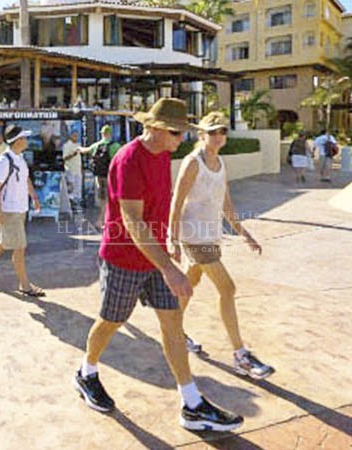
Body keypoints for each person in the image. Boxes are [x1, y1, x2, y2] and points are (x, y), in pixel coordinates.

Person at [73, 98, 244, 432]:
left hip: (156, 258)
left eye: (182, 133)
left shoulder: (163, 153)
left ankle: (191, 403)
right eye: (175, 132)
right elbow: (133, 221)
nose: (180, 140)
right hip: (123, 257)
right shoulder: (128, 160)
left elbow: (162, 206)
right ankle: (86, 372)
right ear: (152, 128)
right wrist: (168, 266)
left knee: (172, 323)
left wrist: (171, 243)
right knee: (111, 321)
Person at [167, 111, 274, 380]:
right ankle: (241, 355)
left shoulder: (220, 162)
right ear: (201, 134)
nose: (219, 136)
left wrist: (244, 233)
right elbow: (176, 201)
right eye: (213, 131)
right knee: (228, 288)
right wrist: (172, 238)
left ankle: (172, 330)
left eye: (222, 131)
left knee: (189, 287)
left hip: (212, 235)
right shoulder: (193, 163)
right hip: (194, 236)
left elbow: (226, 204)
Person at [0, 125, 45, 297]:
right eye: (24, 138)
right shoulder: (4, 160)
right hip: (9, 210)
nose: (27, 140)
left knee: (5, 242)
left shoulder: (20, 158)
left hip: (20, 209)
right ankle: (25, 285)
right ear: (18, 141)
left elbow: (25, 178)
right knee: (19, 247)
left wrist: (34, 197)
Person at [79, 124, 121, 227]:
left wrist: (79, 148)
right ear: (110, 134)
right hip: (110, 175)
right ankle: (106, 219)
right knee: (111, 197)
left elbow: (85, 150)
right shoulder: (116, 146)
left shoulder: (97, 145)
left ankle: (101, 219)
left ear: (102, 134)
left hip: (99, 175)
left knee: (102, 198)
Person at [61, 129, 83, 205]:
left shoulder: (78, 145)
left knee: (78, 187)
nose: (76, 137)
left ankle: (78, 201)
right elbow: (64, 158)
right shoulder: (67, 145)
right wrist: (72, 154)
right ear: (70, 136)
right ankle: (71, 202)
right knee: (71, 187)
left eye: (76, 136)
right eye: (74, 135)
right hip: (70, 170)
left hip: (78, 170)